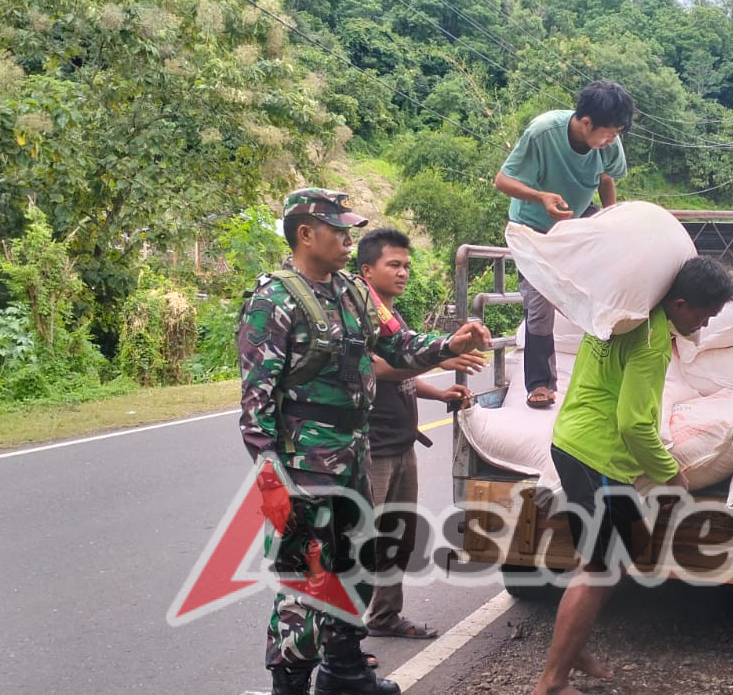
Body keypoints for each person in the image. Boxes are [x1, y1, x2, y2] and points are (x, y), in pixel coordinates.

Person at [239, 188, 491, 695]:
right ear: (305, 234)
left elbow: (398, 344)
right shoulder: (274, 301)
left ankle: (345, 672)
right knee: (306, 575)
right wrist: (271, 479)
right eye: (338, 230)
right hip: (304, 462)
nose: (347, 240)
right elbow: (256, 402)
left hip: (354, 449)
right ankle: (290, 683)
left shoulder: (354, 293)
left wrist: (449, 344)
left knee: (355, 562)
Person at [532, 257, 733, 695]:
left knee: (624, 549)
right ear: (679, 304)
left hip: (576, 444)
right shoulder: (651, 340)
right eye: (703, 315)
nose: (704, 325)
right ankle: (552, 680)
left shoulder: (616, 315)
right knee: (600, 567)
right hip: (598, 457)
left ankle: (573, 645)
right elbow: (634, 424)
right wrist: (670, 473)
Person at [352, 228, 483, 639]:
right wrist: (440, 359)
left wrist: (438, 391)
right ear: (366, 270)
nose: (403, 273)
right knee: (363, 541)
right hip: (373, 447)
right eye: (394, 265)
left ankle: (384, 616)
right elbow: (380, 369)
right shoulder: (360, 319)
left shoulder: (394, 321)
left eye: (407, 265)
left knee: (398, 538)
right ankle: (343, 637)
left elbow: (404, 375)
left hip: (402, 444)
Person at [494, 79, 635, 409]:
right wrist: (540, 196)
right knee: (539, 303)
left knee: (615, 275)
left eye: (617, 134)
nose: (612, 140)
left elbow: (606, 178)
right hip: (533, 224)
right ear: (586, 122)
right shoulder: (543, 132)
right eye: (608, 134)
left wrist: (611, 220)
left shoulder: (609, 143)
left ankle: (613, 367)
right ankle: (540, 384)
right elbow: (502, 180)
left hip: (576, 213)